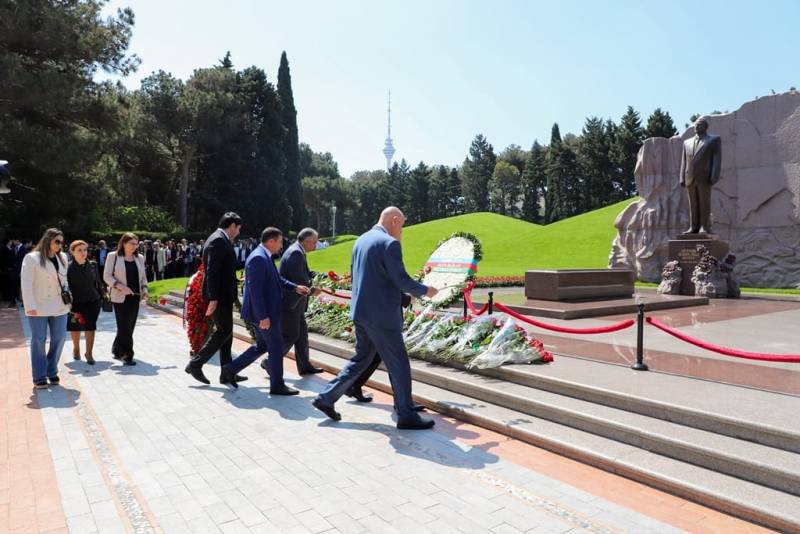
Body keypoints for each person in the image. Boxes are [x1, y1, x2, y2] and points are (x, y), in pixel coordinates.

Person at [312, 207, 438, 429]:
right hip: (382, 317)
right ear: (395, 220)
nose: (402, 231)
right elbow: (401, 279)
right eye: (403, 225)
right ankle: (406, 414)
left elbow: (366, 276)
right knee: (399, 365)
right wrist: (425, 290)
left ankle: (326, 397)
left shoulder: (361, 241)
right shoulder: (389, 244)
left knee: (361, 359)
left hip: (361, 313)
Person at [222, 227, 309, 394]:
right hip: (263, 313)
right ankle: (277, 386)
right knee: (275, 347)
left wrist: (295, 287)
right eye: (280, 241)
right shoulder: (259, 259)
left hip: (265, 312)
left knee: (262, 345)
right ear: (270, 241)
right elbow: (255, 291)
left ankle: (230, 369)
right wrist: (263, 316)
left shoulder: (264, 256)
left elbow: (277, 279)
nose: (282, 245)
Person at [185, 212, 243, 385]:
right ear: (232, 226)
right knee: (223, 331)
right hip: (219, 296)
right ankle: (196, 364)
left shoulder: (219, 238)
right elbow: (212, 271)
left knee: (227, 332)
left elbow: (222, 269)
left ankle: (227, 371)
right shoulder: (218, 240)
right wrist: (213, 298)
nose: (238, 232)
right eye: (238, 228)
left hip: (223, 294)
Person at [263, 227, 324, 376]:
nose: (315, 245)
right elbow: (299, 281)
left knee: (302, 335)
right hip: (290, 303)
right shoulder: (296, 253)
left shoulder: (297, 250)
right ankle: (270, 361)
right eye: (314, 242)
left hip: (295, 303)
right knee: (291, 335)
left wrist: (323, 276)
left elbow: (305, 273)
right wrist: (312, 290)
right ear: (308, 240)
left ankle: (305, 365)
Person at [20, 228, 70, 388]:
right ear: (47, 240)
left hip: (60, 305)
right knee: (38, 340)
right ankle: (39, 376)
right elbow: (26, 284)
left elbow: (65, 280)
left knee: (60, 337)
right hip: (38, 306)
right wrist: (30, 306)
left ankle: (51, 369)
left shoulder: (62, 257)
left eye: (62, 242)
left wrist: (69, 298)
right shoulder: (31, 258)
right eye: (57, 241)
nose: (60, 245)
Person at [103, 233, 148, 365]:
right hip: (119, 296)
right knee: (123, 326)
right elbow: (106, 276)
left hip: (135, 297)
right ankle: (127, 354)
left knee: (130, 325)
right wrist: (120, 286)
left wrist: (145, 289)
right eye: (132, 243)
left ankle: (117, 349)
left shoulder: (140, 258)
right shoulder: (113, 256)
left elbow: (143, 277)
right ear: (124, 243)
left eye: (136, 244)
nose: (135, 246)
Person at [66, 240, 102, 365]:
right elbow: (66, 286)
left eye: (85, 250)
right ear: (72, 252)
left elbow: (98, 282)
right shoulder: (68, 267)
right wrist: (67, 301)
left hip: (93, 300)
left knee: (90, 326)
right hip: (75, 302)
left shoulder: (93, 264)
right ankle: (76, 348)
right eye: (79, 250)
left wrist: (102, 296)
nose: (83, 253)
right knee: (75, 327)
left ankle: (89, 353)